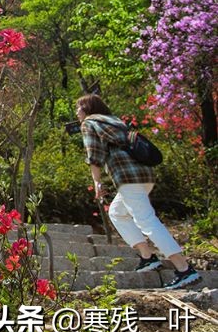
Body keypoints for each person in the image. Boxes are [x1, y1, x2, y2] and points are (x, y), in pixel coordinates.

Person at [75, 94, 200, 290]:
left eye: (78, 109)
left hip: (128, 177)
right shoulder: (115, 122)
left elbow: (94, 154)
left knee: (145, 220)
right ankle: (147, 256)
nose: (77, 113)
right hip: (144, 175)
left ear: (87, 109)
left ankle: (184, 268)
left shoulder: (90, 123)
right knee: (117, 212)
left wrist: (97, 182)